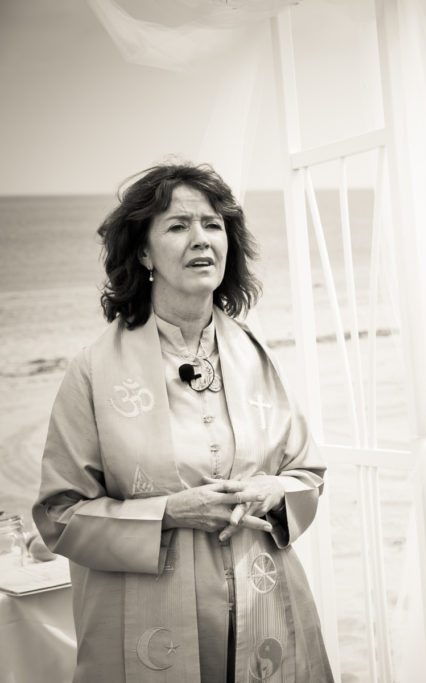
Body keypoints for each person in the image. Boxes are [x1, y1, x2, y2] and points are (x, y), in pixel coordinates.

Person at [33, 164, 332, 682]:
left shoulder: (255, 356)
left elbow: (307, 473)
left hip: (263, 610)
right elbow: (59, 517)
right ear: (143, 253)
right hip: (146, 633)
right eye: (178, 226)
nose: (201, 239)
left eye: (213, 225)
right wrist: (169, 513)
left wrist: (273, 490)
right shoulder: (93, 370)